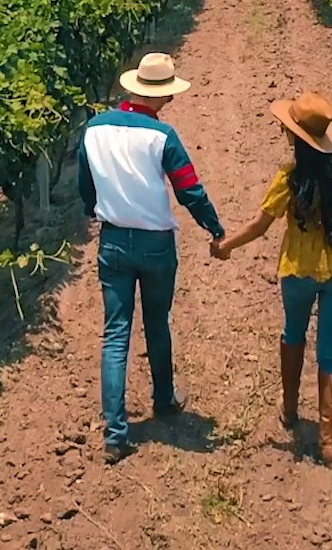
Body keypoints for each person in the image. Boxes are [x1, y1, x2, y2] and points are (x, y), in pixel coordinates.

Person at [78, 51, 226, 463]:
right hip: (156, 244)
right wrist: (214, 228)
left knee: (115, 334)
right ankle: (163, 400)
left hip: (113, 243)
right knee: (156, 323)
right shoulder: (163, 137)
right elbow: (189, 189)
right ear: (159, 96)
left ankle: (115, 432)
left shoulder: (93, 129)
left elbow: (85, 187)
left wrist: (101, 213)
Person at [211, 91, 332, 465]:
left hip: (298, 271)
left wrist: (225, 246)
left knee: (293, 334)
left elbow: (259, 225)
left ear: (296, 138)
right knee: (330, 352)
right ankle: (328, 440)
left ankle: (289, 408)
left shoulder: (291, 178)